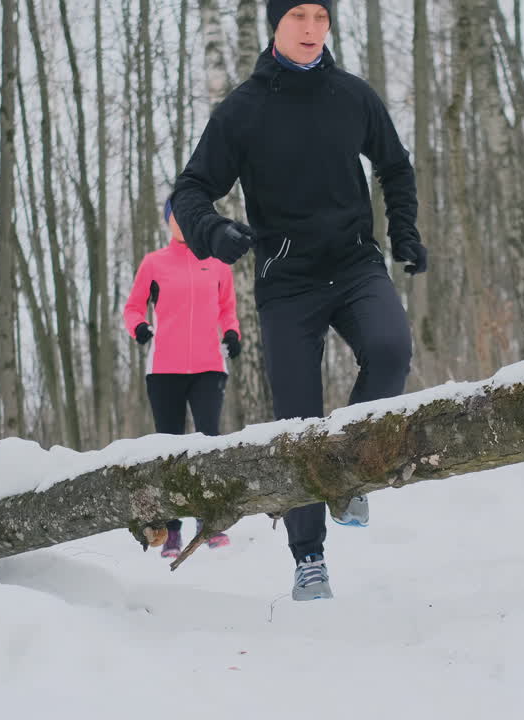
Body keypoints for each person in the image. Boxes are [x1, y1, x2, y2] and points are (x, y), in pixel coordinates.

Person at [170, 0, 427, 601]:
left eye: (321, 16)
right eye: (298, 17)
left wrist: (405, 232)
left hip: (355, 263)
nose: (312, 30)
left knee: (391, 350)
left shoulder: (352, 96)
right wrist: (215, 232)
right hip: (288, 284)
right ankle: (308, 556)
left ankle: (349, 472)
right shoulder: (243, 110)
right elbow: (191, 189)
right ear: (275, 24)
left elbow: (395, 167)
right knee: (299, 418)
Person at [124, 197, 243, 559]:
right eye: (177, 216)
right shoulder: (154, 263)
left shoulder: (219, 263)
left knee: (209, 442)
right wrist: (140, 327)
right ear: (168, 222)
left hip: (209, 367)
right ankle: (172, 530)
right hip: (164, 370)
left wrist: (233, 333)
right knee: (169, 449)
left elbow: (228, 310)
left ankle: (210, 522)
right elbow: (132, 306)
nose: (185, 222)